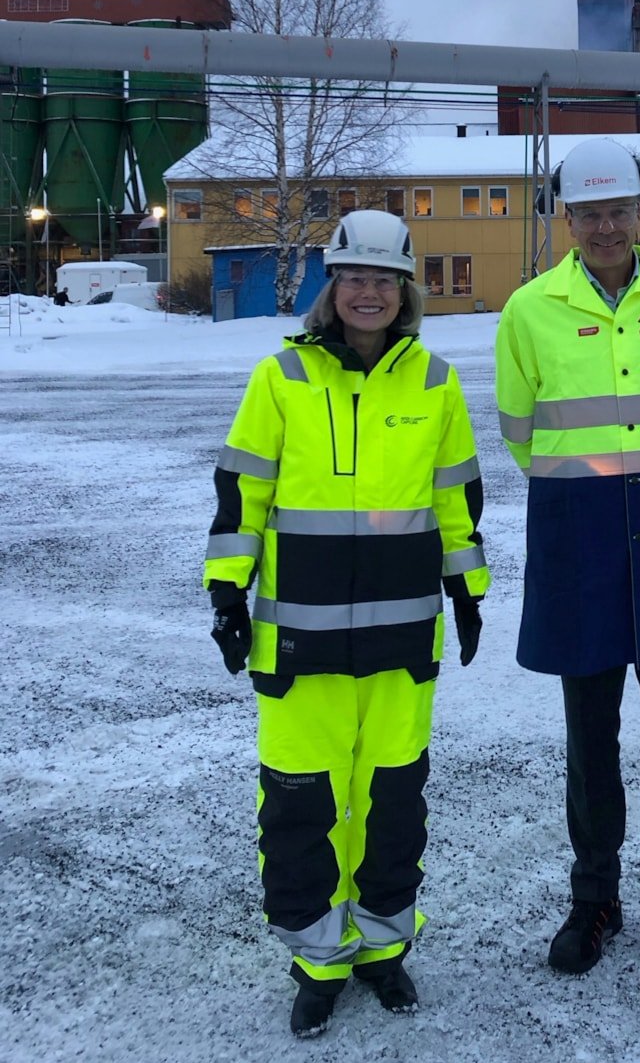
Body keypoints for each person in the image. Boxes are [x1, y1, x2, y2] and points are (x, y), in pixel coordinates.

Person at [204, 209, 489, 1038]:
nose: (369, 293)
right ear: (333, 286)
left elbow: (456, 502)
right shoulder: (280, 377)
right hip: (299, 640)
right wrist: (227, 590)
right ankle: (316, 959)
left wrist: (467, 590)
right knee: (301, 805)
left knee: (393, 801)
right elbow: (241, 495)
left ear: (406, 292)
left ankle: (382, 949)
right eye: (355, 278)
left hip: (404, 638)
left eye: (385, 280)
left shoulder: (434, 381)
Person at [495, 138, 640, 975]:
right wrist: (599, 481)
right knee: (588, 739)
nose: (603, 225)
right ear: (568, 218)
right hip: (579, 539)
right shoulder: (528, 310)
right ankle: (594, 895)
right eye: (588, 213)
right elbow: (520, 434)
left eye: (617, 210)